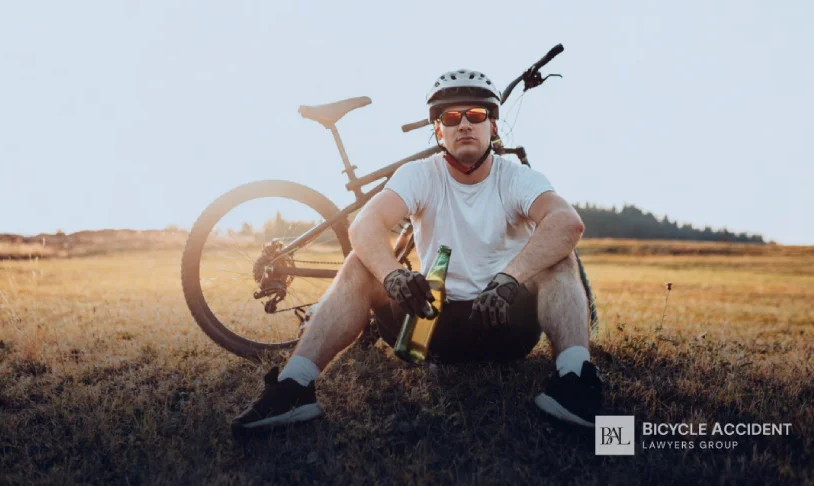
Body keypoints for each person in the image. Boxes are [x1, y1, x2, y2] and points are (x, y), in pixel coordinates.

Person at [231, 69, 603, 432]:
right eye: (451, 117)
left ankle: (574, 382)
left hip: (506, 325)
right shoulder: (420, 174)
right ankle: (294, 387)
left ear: (493, 125)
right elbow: (365, 225)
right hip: (427, 328)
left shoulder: (517, 177)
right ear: (438, 130)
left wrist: (509, 278)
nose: (464, 124)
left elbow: (566, 223)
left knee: (560, 260)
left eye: (475, 115)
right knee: (360, 263)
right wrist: (393, 274)